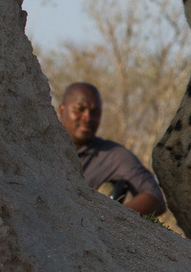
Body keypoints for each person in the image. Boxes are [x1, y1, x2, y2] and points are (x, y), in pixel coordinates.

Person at [57, 82, 165, 217]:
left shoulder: (113, 155)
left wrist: (108, 218)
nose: (87, 118)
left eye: (95, 113)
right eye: (79, 109)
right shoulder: (39, 144)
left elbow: (155, 198)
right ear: (62, 111)